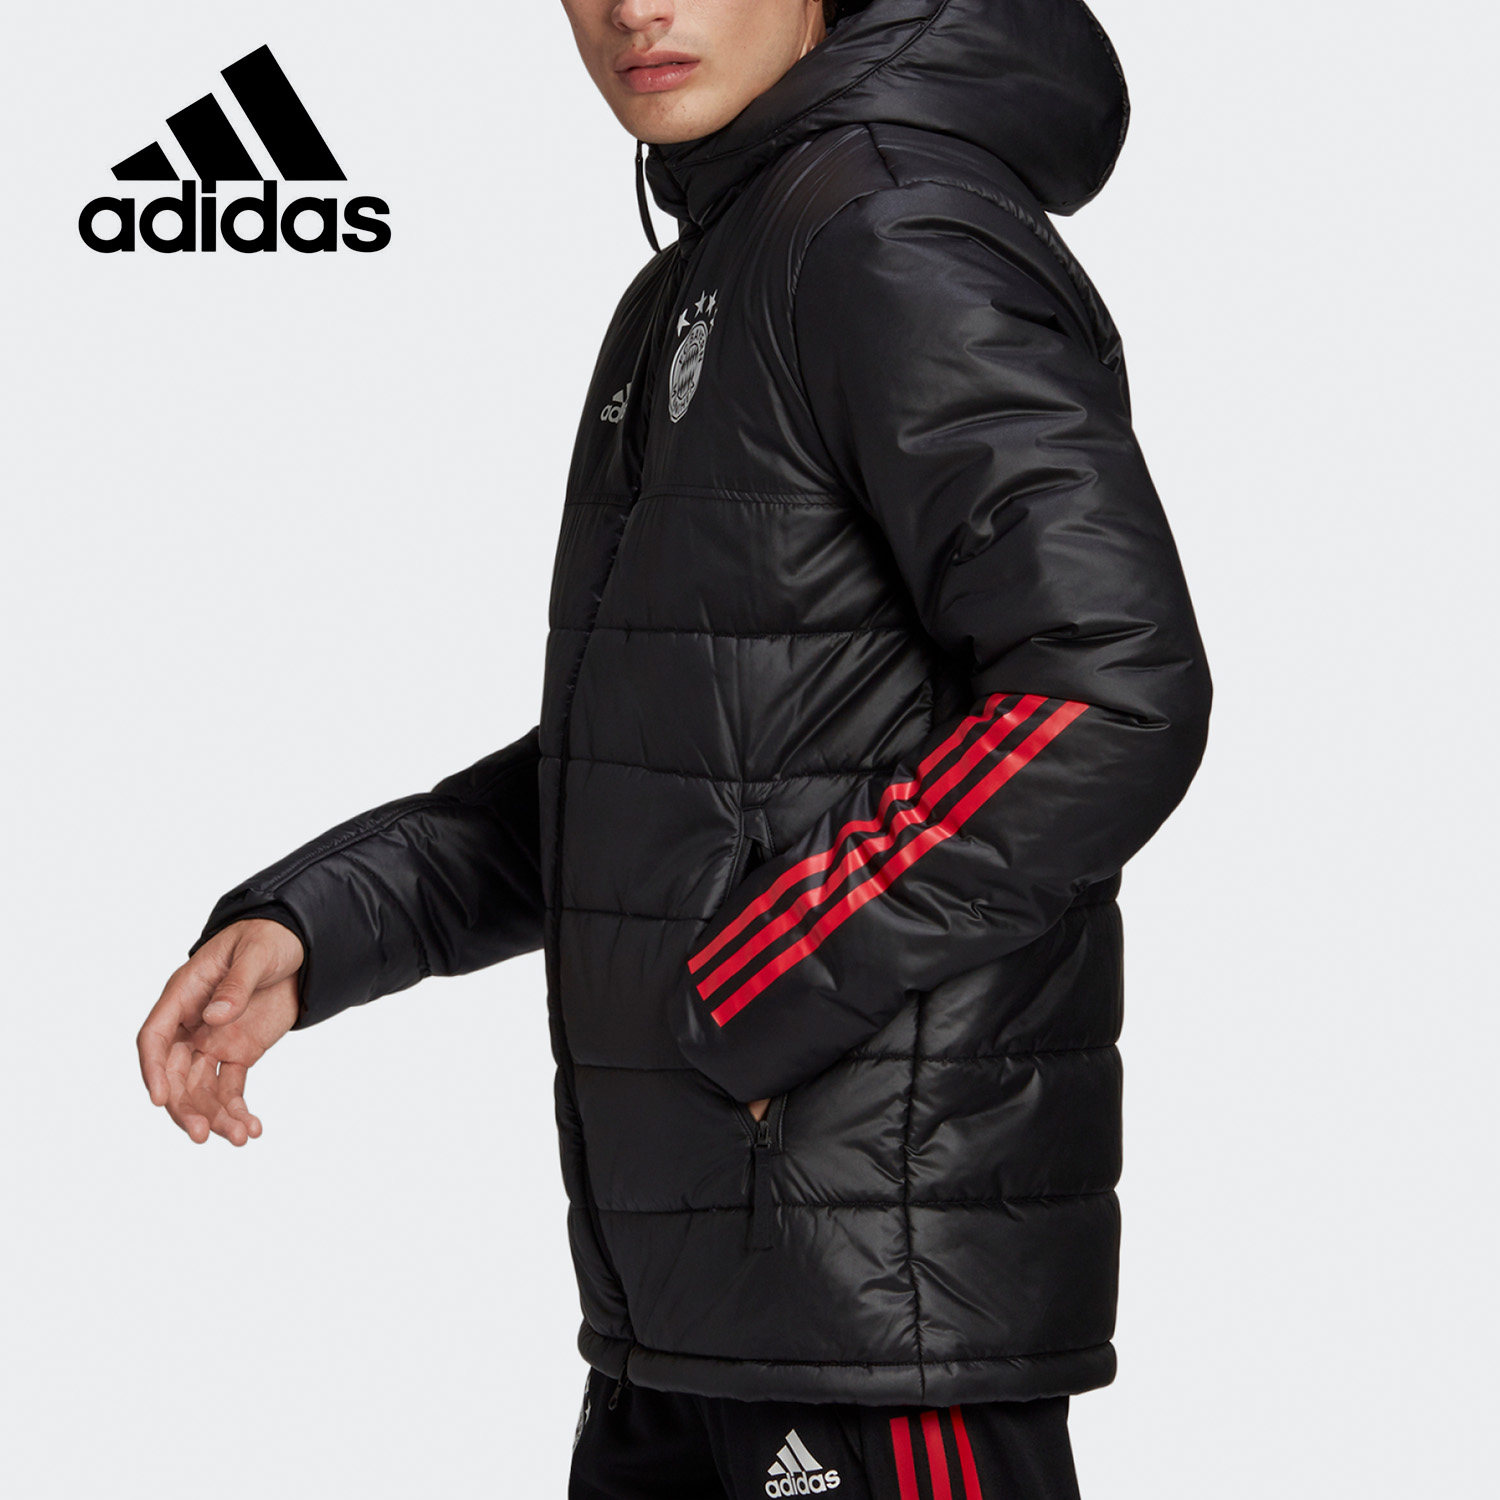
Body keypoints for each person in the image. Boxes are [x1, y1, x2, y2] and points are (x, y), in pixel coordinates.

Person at [136, 1, 1213, 1494]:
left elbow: (1107, 686)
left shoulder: (889, 235)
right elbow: (655, 768)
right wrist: (320, 923)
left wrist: (755, 987)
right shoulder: (708, 271)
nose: (637, 7)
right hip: (689, 1310)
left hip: (873, 1306)